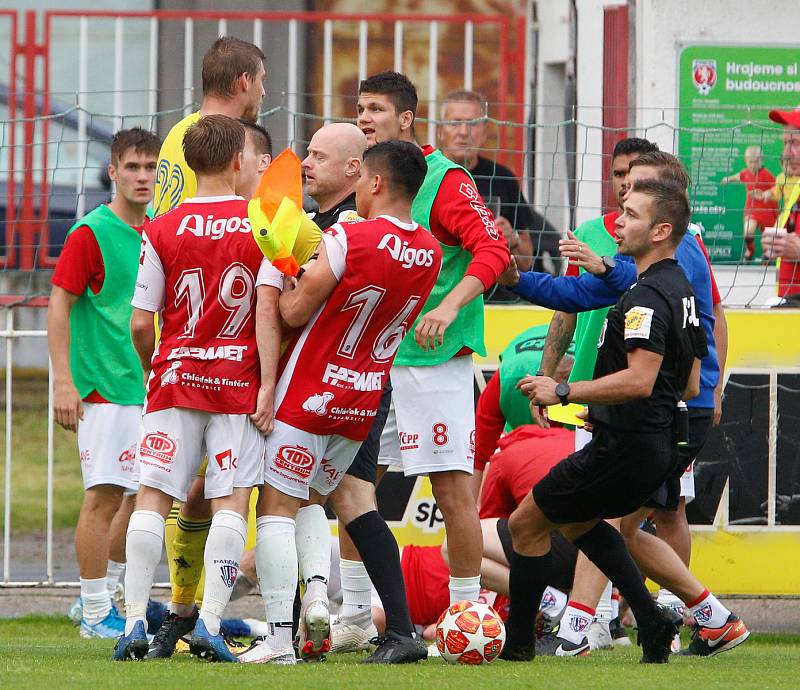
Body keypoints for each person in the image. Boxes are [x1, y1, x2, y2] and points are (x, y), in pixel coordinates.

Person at [501, 151, 736, 656]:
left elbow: (639, 380)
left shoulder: (646, 297)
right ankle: (653, 622)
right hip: (645, 438)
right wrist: (519, 280)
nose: (618, 221)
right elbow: (691, 382)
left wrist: (562, 389)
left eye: (630, 215)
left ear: (659, 231)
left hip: (626, 445)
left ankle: (525, 644)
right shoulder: (675, 287)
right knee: (584, 522)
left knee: (526, 523)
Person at [326, 72, 509, 656]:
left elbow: (494, 250)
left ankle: (464, 609)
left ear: (407, 118)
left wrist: (450, 306)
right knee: (354, 483)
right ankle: (355, 615)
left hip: (433, 362)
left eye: (376, 108)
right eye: (359, 108)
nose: (364, 117)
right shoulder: (361, 178)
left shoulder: (444, 181)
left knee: (452, 486)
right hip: (373, 359)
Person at [238, 141, 442, 665]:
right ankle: (396, 631)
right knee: (349, 503)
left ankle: (280, 639)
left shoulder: (349, 235)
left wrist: (276, 281)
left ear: (373, 182)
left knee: (278, 507)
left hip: (310, 391)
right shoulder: (430, 250)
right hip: (363, 395)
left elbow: (296, 309)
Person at [113, 115, 284, 662]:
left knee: (152, 497)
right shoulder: (262, 225)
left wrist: (154, 368)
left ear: (188, 164)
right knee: (231, 501)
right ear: (239, 161)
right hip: (236, 384)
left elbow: (141, 322)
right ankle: (209, 622)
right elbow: (265, 311)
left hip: (175, 377)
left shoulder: (159, 228)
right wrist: (268, 383)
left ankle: (134, 623)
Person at [47, 127, 161, 639]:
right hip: (102, 387)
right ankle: (94, 611)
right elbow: (59, 303)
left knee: (142, 497)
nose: (142, 176)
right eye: (132, 168)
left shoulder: (157, 230)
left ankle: (104, 596)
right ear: (112, 172)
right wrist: (63, 382)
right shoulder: (90, 232)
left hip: (149, 386)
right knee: (103, 497)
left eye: (150, 167)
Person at [438, 89, 560, 298]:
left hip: (495, 302)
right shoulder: (426, 174)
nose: (463, 132)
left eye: (473, 123)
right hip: (439, 296)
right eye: (454, 122)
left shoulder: (503, 178)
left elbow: (526, 262)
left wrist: (511, 238)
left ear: (485, 131)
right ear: (440, 131)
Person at [758, 107, 800, 299]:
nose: (786, 153)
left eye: (795, 143)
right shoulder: (795, 187)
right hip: (789, 313)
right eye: (785, 144)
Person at [721, 145, 778, 260]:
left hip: (767, 209)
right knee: (748, 231)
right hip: (751, 208)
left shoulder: (766, 174)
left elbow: (776, 188)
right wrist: (728, 179)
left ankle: (766, 255)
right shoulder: (746, 172)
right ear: (746, 161)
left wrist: (766, 193)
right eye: (750, 162)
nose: (753, 165)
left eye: (756, 162)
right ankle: (750, 250)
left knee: (767, 237)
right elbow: (739, 176)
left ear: (761, 160)